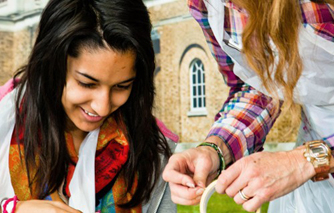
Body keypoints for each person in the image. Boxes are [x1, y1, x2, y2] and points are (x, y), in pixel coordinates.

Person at [0, 0, 178, 212]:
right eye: (86, 83)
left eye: (122, 86)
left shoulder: (152, 149)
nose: (102, 107)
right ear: (51, 65)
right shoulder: (5, 120)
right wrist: (13, 209)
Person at [163, 0, 334, 212]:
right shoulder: (207, 6)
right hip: (317, 174)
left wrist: (306, 161)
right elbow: (260, 85)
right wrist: (217, 148)